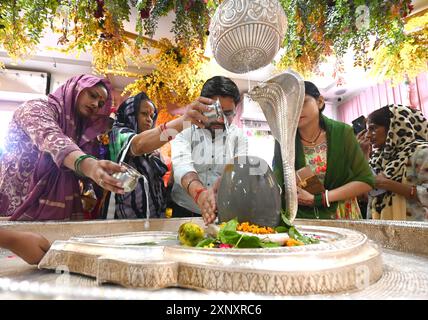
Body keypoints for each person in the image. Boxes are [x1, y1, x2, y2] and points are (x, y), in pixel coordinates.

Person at [0, 75, 126, 221]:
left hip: (54, 215)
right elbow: (51, 137)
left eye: (100, 103)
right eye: (92, 95)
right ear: (75, 89)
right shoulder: (36, 108)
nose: (95, 104)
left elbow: (83, 173)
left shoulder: (80, 133)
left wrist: (89, 187)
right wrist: (88, 165)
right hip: (15, 208)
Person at [273, 81, 374, 219]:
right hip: (302, 216)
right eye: (290, 106)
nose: (296, 110)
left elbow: (366, 181)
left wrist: (321, 198)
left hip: (340, 213)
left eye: (302, 103)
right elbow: (278, 179)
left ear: (319, 101)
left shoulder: (342, 133)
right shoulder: (283, 138)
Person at [170, 76, 248, 223]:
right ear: (202, 107)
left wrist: (227, 181)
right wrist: (199, 193)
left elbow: (239, 170)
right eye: (215, 112)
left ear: (236, 111)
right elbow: (182, 166)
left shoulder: (239, 137)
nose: (220, 120)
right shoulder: (185, 130)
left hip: (221, 212)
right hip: (184, 210)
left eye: (228, 114)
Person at [105, 92, 167, 219]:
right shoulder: (118, 133)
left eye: (152, 115)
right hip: (125, 217)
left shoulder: (151, 144)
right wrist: (182, 124)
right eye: (144, 114)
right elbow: (138, 145)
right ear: (130, 114)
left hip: (151, 217)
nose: (149, 119)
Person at [363, 105, 428, 221]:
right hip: (383, 231)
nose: (367, 135)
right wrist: (363, 155)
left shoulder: (421, 152)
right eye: (367, 130)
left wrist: (388, 184)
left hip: (414, 231)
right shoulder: (378, 158)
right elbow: (367, 195)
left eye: (373, 128)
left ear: (393, 127)